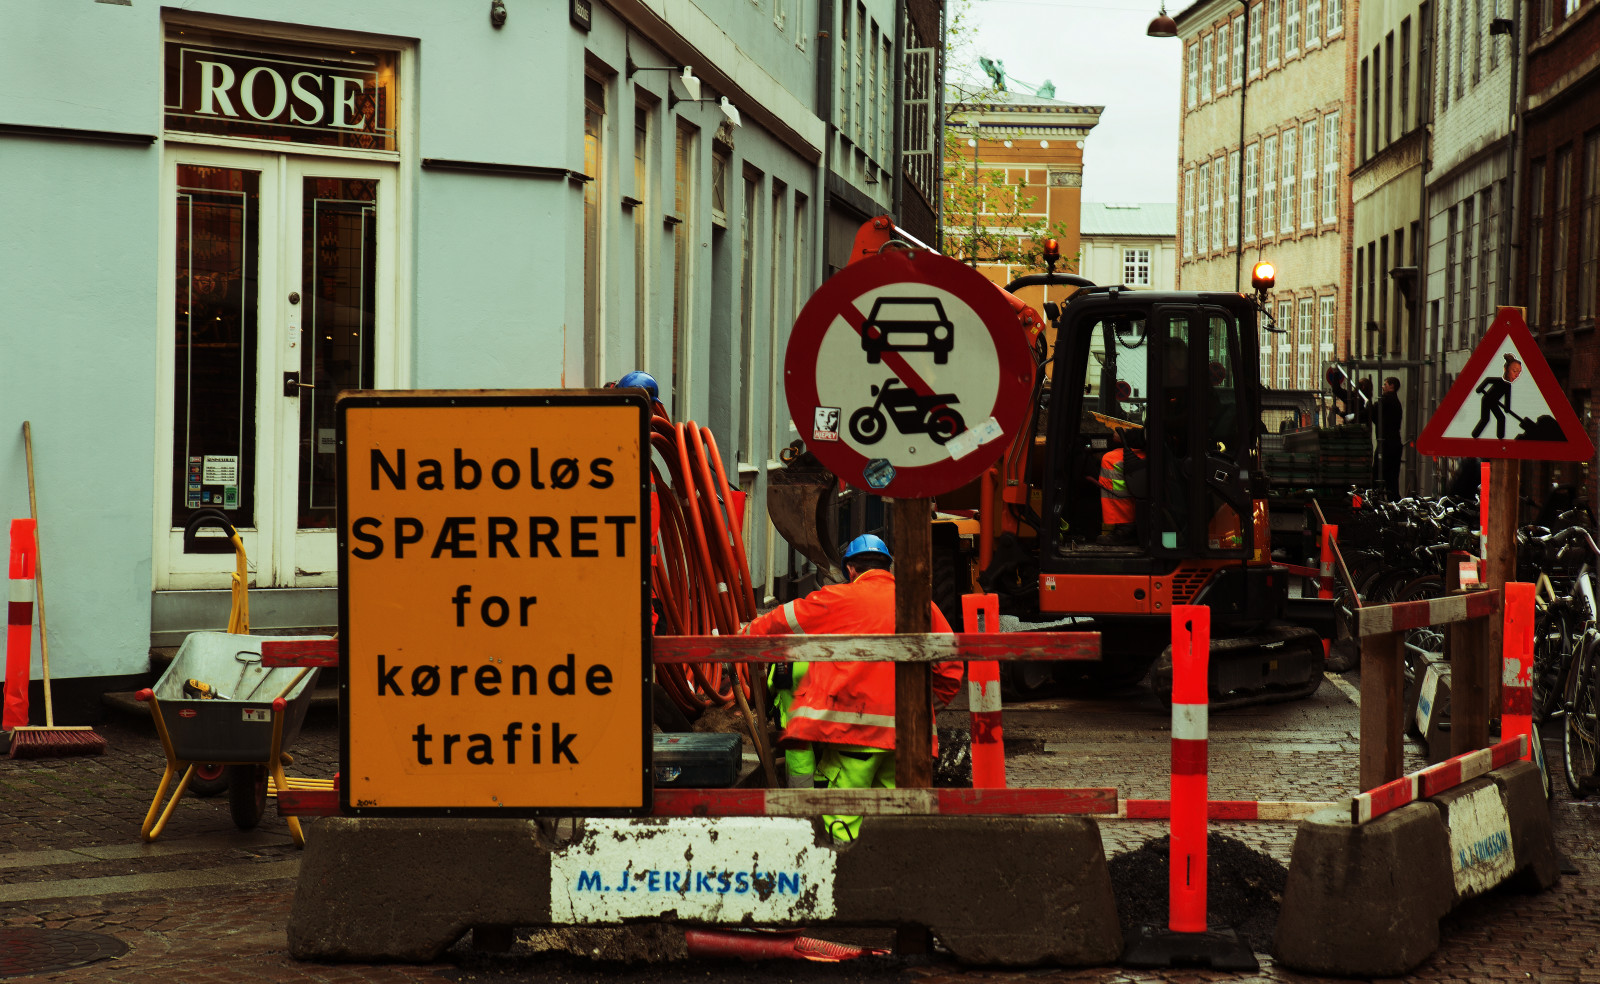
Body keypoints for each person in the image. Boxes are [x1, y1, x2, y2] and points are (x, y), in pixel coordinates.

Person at [741, 534, 964, 841]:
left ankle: (845, 867)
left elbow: (781, 621)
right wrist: (921, 709)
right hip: (912, 741)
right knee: (898, 826)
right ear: (888, 567)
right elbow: (950, 672)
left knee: (842, 824)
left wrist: (743, 633)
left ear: (850, 570)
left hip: (855, 737)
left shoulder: (838, 598)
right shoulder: (922, 605)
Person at [1094, 427, 1145, 545]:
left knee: (1110, 461)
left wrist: (1127, 435)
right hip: (1156, 448)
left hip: (1161, 452)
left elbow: (1155, 434)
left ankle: (1127, 527)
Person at [1378, 376, 1402, 498]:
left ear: (1391, 386)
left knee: (1381, 474)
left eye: (1385, 384)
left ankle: (1382, 499)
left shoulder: (1387, 399)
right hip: (1394, 443)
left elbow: (1375, 412)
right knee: (1392, 478)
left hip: (1387, 444)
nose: (1383, 387)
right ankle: (1393, 499)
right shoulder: (1395, 401)